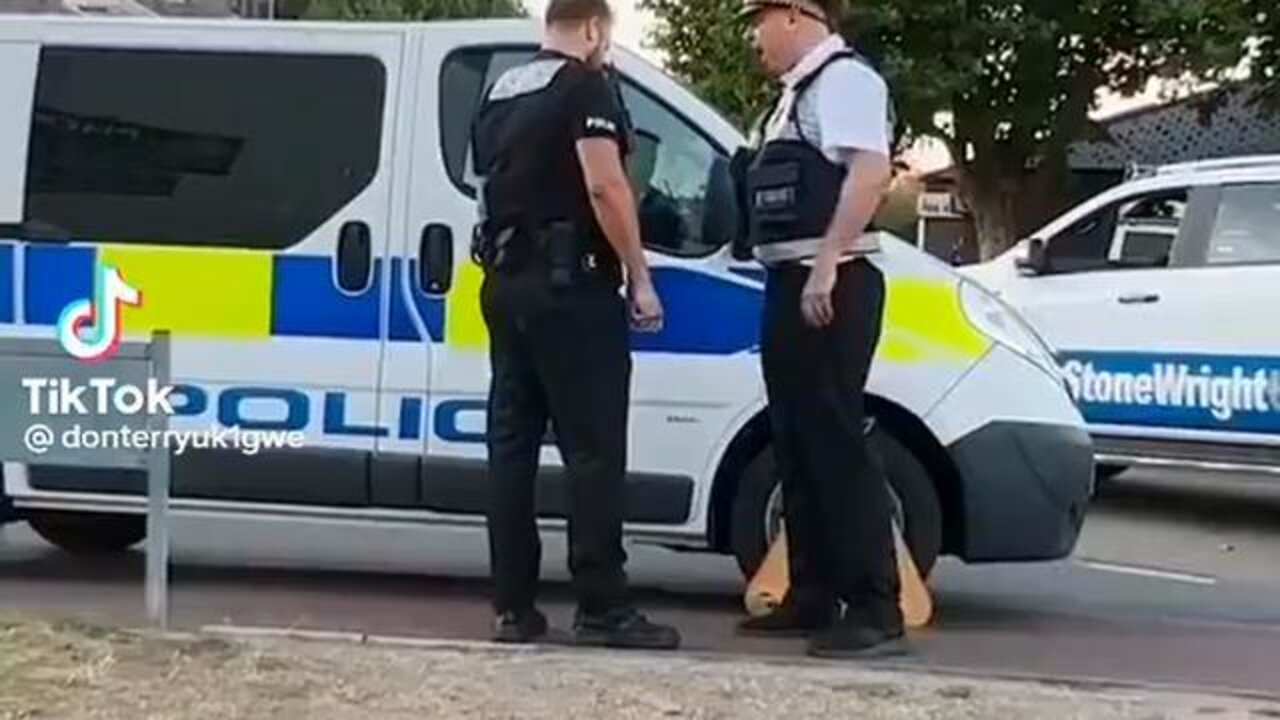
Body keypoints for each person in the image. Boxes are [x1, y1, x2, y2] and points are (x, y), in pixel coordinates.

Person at [469, 0, 680, 651]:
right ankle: (602, 606)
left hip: (505, 284)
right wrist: (640, 275)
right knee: (592, 450)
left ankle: (513, 607)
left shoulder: (502, 89)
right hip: (572, 286)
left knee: (511, 448)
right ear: (593, 30)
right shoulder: (585, 84)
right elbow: (604, 186)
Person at [734, 0, 905, 658]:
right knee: (796, 439)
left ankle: (874, 605)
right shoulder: (792, 97)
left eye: (760, 21)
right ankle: (810, 593)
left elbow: (869, 171)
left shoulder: (845, 81)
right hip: (791, 279)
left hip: (833, 281)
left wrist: (828, 262)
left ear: (795, 17)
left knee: (834, 438)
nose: (754, 37)